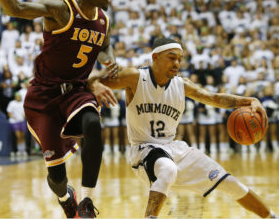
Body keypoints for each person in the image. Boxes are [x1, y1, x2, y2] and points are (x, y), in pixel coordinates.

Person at [0, 0, 118, 218]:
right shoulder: (61, 10)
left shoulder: (104, 19)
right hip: (44, 98)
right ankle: (65, 196)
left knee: (93, 123)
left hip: (76, 92)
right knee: (57, 178)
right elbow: (16, 9)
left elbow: (104, 45)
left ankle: (86, 202)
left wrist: (110, 59)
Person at [89, 38, 278, 219]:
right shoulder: (135, 77)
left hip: (175, 149)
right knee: (168, 169)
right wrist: (95, 84)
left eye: (179, 59)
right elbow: (89, 78)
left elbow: (214, 98)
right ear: (155, 57)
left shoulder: (182, 85)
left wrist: (249, 100)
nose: (177, 63)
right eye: (172, 58)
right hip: (144, 150)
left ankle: (271, 216)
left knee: (230, 183)